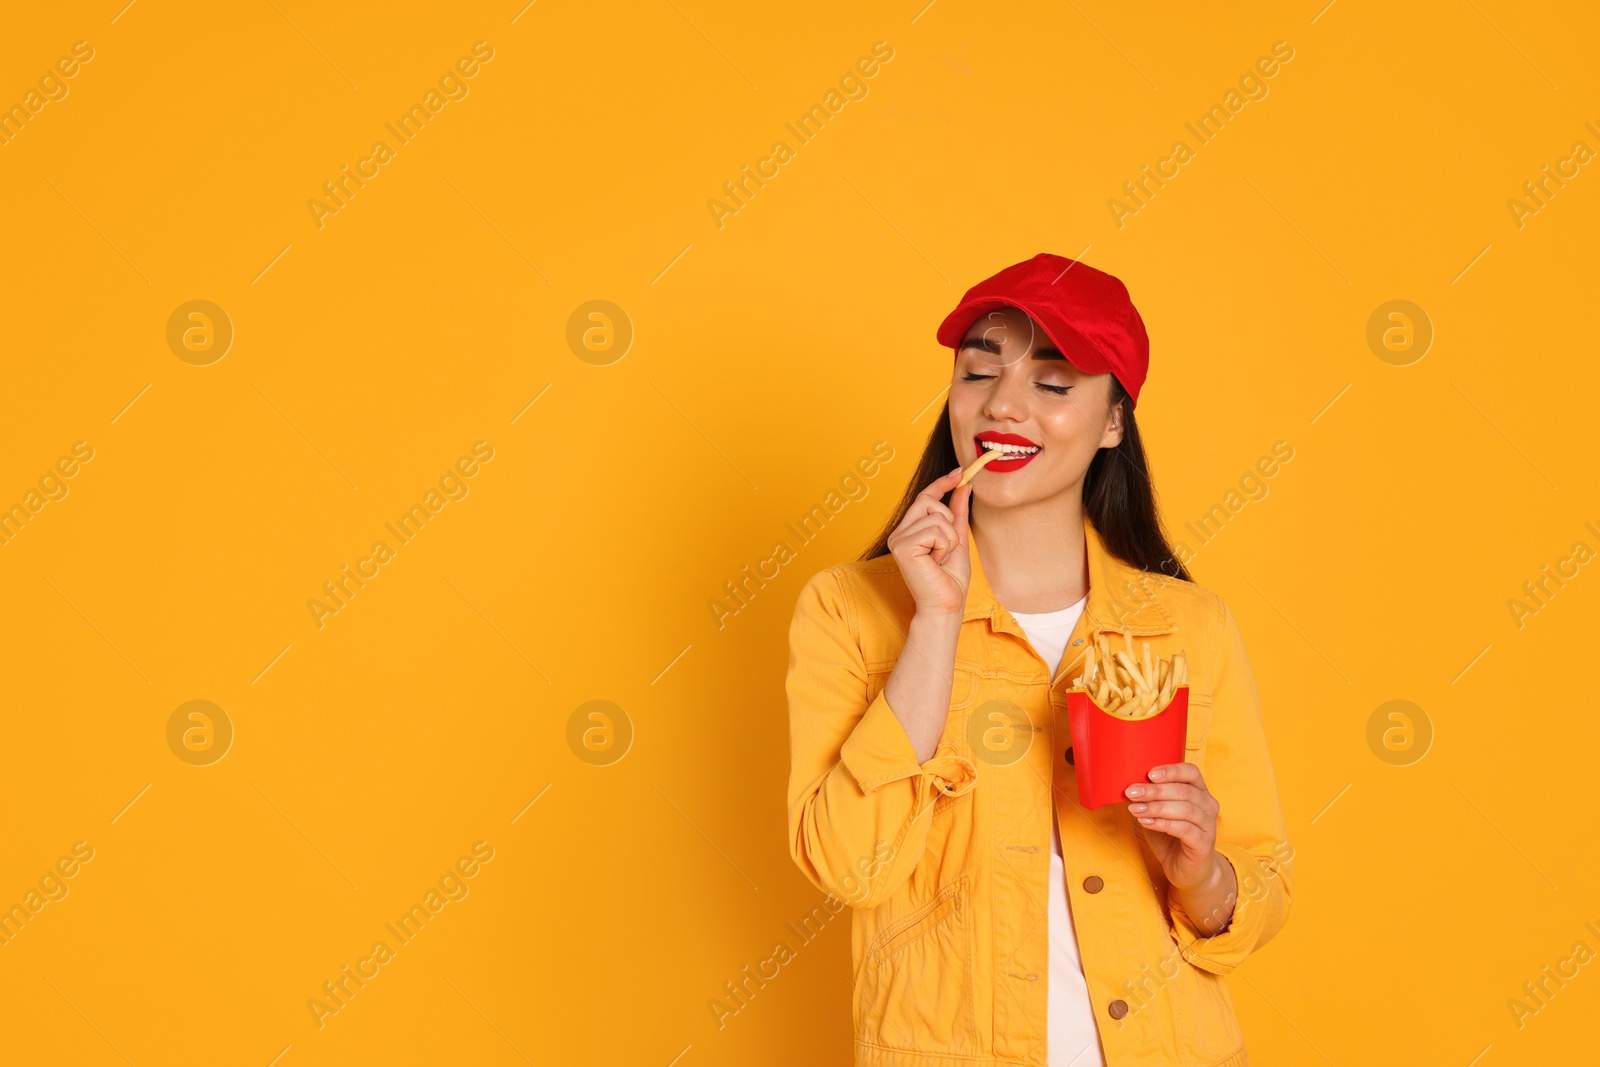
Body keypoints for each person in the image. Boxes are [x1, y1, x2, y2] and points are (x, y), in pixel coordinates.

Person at [784, 253, 1293, 1066]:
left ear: (1114, 421)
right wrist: (936, 622)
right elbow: (851, 865)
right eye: (979, 373)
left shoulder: (1191, 628)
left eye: (1054, 387)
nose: (1005, 405)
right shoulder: (849, 610)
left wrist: (1202, 874)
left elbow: (1264, 884)